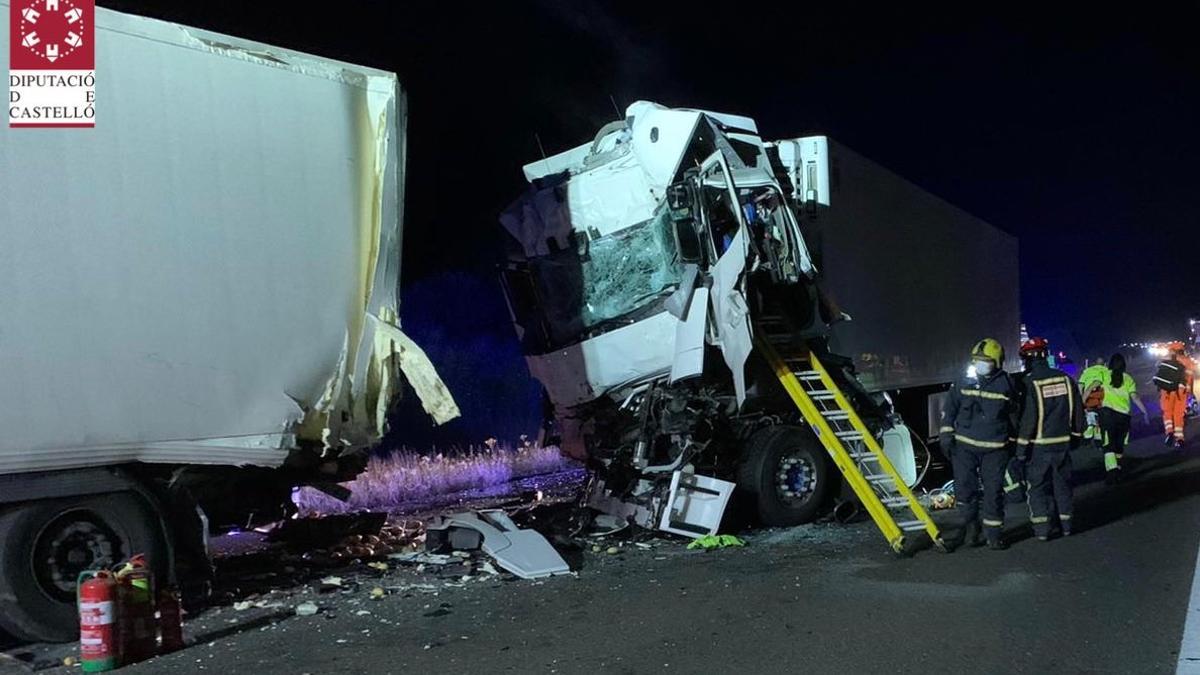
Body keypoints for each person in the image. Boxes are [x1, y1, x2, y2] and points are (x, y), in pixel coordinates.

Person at [940, 338, 1019, 550]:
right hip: (964, 448)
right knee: (965, 491)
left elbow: (1013, 417)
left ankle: (994, 535)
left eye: (986, 360)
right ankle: (971, 529)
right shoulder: (963, 380)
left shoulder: (1006, 383)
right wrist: (946, 436)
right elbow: (950, 410)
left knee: (993, 492)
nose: (981, 364)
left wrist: (1014, 444)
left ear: (998, 362)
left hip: (994, 450)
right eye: (977, 360)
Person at [1016, 338, 1084, 540]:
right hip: (1062, 444)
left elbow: (1029, 420)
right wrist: (1077, 437)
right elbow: (1078, 412)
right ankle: (1067, 526)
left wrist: (1020, 450)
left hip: (1039, 447)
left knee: (1037, 488)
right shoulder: (1065, 379)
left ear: (1028, 359)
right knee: (1062, 486)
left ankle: (1043, 531)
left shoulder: (1029, 383)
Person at [1099, 353, 1150, 483]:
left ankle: (1112, 471)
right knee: (1118, 445)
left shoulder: (1104, 375)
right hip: (1123, 417)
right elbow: (1135, 397)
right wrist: (1144, 412)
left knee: (1108, 445)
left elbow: (1092, 386)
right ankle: (1117, 467)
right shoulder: (1128, 379)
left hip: (1107, 414)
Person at [1155, 342, 1196, 448]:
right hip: (1181, 392)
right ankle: (1180, 438)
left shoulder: (1167, 360)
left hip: (1167, 391)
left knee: (1167, 413)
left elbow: (1160, 374)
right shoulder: (1189, 362)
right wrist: (1191, 393)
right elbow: (1190, 379)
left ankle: (1169, 432)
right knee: (1179, 415)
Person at [1078, 356, 1110, 446]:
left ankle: (1090, 429)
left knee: (1091, 413)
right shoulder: (1106, 371)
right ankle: (1098, 438)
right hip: (1101, 397)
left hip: (1088, 397)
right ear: (1105, 363)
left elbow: (1080, 385)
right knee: (1101, 417)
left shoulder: (1087, 371)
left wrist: (1082, 398)